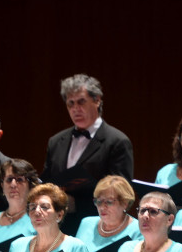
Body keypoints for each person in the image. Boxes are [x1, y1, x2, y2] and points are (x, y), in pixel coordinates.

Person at [42, 73, 133, 234]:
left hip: (97, 229)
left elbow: (122, 194)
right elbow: (47, 181)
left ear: (97, 100)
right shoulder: (55, 142)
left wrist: (75, 203)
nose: (76, 109)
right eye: (70, 104)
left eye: (81, 102)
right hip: (58, 228)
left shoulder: (117, 141)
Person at [0, 159, 38, 252]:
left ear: (30, 185)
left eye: (19, 179)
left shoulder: (37, 219)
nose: (13, 184)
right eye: (9, 180)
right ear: (2, 185)